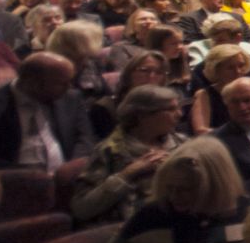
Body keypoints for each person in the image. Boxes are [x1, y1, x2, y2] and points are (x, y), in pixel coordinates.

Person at [114, 137, 250, 243]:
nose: (173, 196)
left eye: (185, 190)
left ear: (214, 187)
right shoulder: (152, 216)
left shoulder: (245, 214)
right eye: (169, 188)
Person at [70, 85, 186, 224]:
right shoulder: (110, 151)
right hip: (131, 232)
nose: (180, 114)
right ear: (143, 115)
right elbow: (82, 208)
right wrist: (127, 174)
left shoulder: (183, 143)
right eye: (170, 109)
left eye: (178, 108)